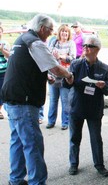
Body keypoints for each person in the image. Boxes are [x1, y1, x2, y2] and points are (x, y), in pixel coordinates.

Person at [1, 14, 74, 184]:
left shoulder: (22, 39)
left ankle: (16, 179)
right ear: (42, 28)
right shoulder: (35, 42)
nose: (50, 34)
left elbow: (27, 66)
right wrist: (69, 75)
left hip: (12, 98)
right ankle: (37, 181)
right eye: (50, 31)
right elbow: (55, 68)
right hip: (24, 102)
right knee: (33, 144)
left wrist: (44, 76)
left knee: (18, 141)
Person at [63, 35, 108, 177]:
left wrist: (104, 85)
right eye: (84, 45)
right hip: (77, 107)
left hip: (94, 109)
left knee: (96, 138)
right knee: (74, 137)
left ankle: (99, 165)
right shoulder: (76, 64)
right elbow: (67, 84)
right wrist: (68, 78)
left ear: (97, 49)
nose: (85, 48)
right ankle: (73, 164)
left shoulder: (103, 68)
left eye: (89, 46)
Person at [46, 24, 76, 130]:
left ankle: (65, 122)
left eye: (66, 32)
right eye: (62, 31)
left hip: (65, 76)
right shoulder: (54, 42)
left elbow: (72, 58)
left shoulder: (71, 43)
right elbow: (48, 56)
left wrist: (60, 57)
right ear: (59, 32)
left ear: (69, 34)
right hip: (53, 75)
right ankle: (51, 121)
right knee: (53, 100)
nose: (64, 33)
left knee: (65, 101)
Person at [0, 26, 10, 119]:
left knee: (3, 92)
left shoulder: (5, 43)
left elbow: (10, 56)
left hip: (3, 72)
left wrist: (2, 50)